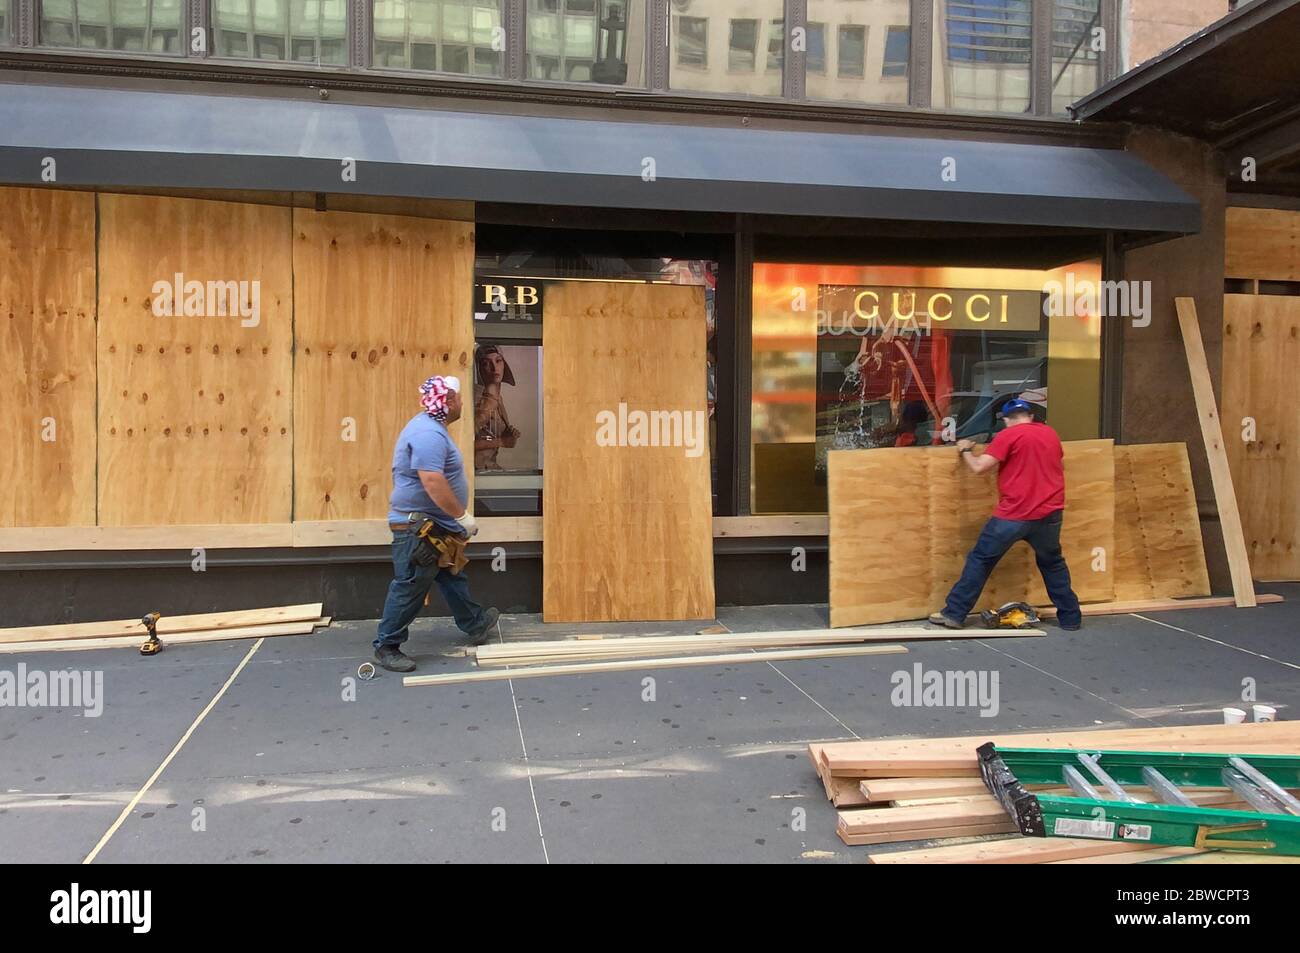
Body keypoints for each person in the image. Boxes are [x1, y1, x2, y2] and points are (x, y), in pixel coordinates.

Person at [373, 374, 500, 672]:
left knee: (449, 574)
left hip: (431, 526)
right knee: (411, 584)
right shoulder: (428, 434)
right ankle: (387, 645)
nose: (462, 405)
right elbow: (432, 480)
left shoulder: (432, 429)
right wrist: (461, 516)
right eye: (459, 399)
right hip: (418, 529)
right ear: (449, 401)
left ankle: (475, 622)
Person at [930, 398, 1082, 631]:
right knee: (1053, 564)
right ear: (1030, 416)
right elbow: (1056, 466)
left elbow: (980, 467)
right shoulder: (1050, 434)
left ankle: (954, 613)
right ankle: (1071, 619)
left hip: (1014, 515)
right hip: (1049, 514)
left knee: (981, 560)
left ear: (1007, 420)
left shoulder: (1008, 435)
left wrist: (966, 450)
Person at [473, 344, 522, 471]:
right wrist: (501, 442)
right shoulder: (477, 398)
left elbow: (488, 432)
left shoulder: (498, 398)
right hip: (475, 471)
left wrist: (507, 435)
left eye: (498, 361)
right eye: (486, 363)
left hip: (491, 468)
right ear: (479, 368)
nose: (494, 368)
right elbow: (462, 442)